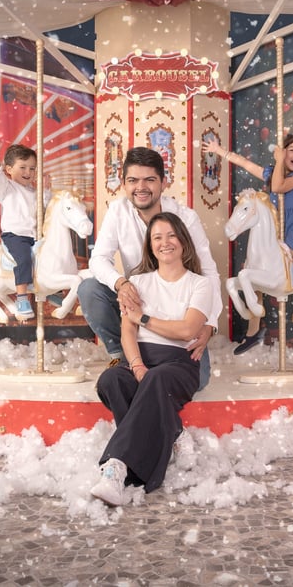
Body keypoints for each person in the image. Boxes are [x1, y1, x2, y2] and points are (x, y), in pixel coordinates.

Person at [90, 212, 213, 506]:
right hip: (141, 358)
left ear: (183, 240)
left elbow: (187, 329)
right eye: (157, 237)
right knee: (112, 379)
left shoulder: (200, 284)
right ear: (149, 245)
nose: (164, 242)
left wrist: (143, 317)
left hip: (178, 363)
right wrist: (136, 365)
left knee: (157, 380)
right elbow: (127, 334)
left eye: (171, 235)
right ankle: (172, 430)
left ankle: (116, 468)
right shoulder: (138, 282)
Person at [78, 146, 222, 389]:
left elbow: (209, 272)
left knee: (198, 381)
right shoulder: (117, 211)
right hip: (136, 298)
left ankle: (160, 362)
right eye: (133, 180)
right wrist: (121, 284)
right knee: (89, 289)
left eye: (150, 180)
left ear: (164, 183)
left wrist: (210, 324)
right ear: (124, 184)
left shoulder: (186, 217)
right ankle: (122, 352)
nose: (141, 187)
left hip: (176, 310)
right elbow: (98, 259)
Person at [202, 134, 293, 351]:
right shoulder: (273, 173)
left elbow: (278, 188)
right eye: (292, 150)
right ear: (284, 150)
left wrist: (280, 160)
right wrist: (220, 151)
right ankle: (253, 330)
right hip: (276, 224)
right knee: (256, 268)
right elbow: (246, 163)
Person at [0, 139, 48, 321]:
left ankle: (50, 290)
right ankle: (21, 298)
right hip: (15, 236)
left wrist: (46, 190)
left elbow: (45, 209)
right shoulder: (6, 188)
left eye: (32, 168)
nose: (28, 172)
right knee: (23, 259)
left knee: (51, 256)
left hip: (34, 236)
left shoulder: (34, 192)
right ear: (9, 169)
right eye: (23, 167)